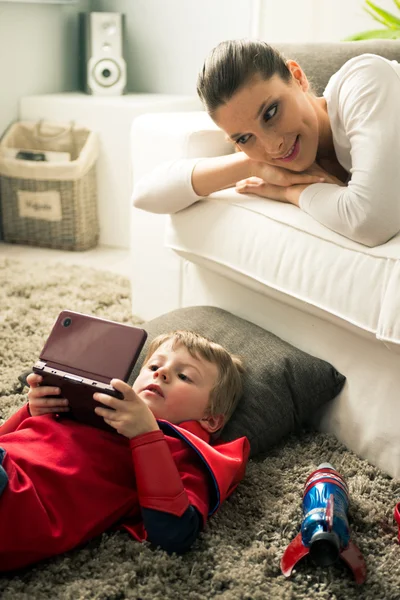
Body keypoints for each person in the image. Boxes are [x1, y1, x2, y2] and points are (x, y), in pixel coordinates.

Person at [0, 330, 249, 572]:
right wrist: (31, 412)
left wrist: (145, 435)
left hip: (17, 504)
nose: (160, 373)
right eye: (153, 367)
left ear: (211, 419)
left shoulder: (184, 451)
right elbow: (10, 442)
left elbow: (175, 533)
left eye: (184, 376)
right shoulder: (90, 404)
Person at [132, 39, 400, 247]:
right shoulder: (267, 156)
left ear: (297, 76)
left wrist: (289, 193)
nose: (273, 147)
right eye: (245, 138)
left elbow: (370, 221)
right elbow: (146, 195)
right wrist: (252, 167)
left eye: (271, 113)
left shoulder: (364, 81)